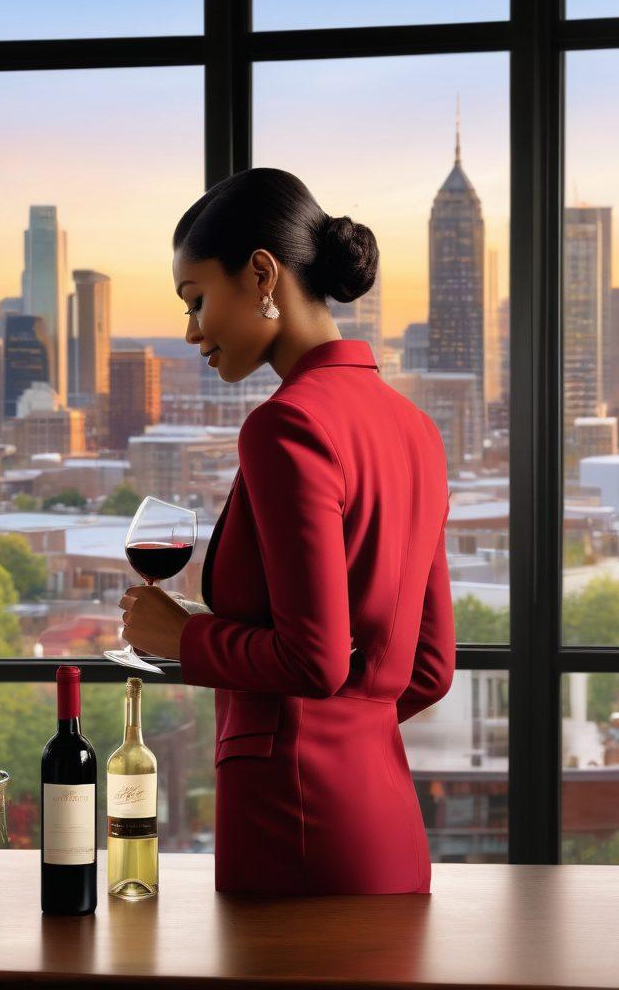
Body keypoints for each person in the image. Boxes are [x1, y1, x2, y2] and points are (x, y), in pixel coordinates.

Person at [118, 167, 455, 895]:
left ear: (262, 274)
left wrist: (181, 637)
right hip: (386, 823)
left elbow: (315, 661)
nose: (190, 332)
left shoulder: (286, 426)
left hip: (289, 824)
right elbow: (429, 668)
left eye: (196, 299)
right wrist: (349, 731)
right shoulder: (417, 429)